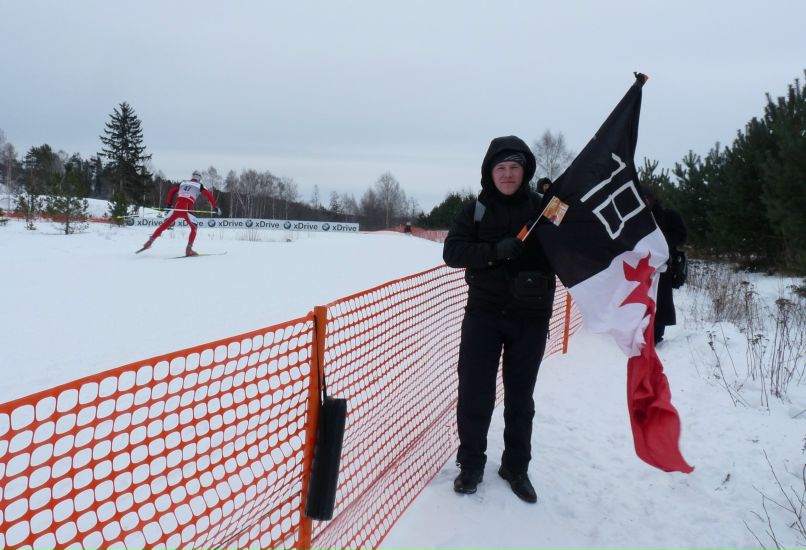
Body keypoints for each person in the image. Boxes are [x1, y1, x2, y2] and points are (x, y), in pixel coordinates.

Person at [443, 136, 555, 503]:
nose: (507, 174)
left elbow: (572, 247)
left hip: (530, 318)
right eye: (500, 168)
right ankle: (471, 464)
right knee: (474, 393)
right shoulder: (474, 209)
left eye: (514, 167)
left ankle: (516, 467)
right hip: (483, 315)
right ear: (489, 172)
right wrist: (494, 251)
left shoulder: (545, 209)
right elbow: (453, 252)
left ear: (525, 171)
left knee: (521, 398)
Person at [642, 186, 687, 345]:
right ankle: (639, 333)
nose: (644, 201)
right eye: (641, 198)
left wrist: (663, 243)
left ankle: (656, 335)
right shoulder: (636, 218)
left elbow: (681, 235)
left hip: (663, 267)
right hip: (640, 268)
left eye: (647, 198)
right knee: (640, 301)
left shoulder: (668, 216)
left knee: (660, 301)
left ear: (653, 199)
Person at [139, 170, 221, 256]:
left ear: (192, 176)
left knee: (165, 225)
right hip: (187, 207)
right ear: (199, 178)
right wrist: (215, 207)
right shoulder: (200, 185)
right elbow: (209, 195)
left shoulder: (183, 183)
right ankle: (189, 249)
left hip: (177, 207)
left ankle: (149, 242)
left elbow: (171, 191)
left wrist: (169, 205)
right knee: (194, 228)